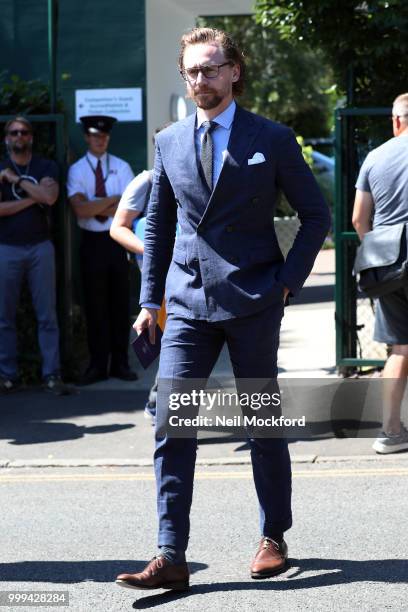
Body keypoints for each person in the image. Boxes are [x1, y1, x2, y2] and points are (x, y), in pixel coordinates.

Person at [115, 27, 330, 591]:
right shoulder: (169, 141)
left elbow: (316, 217)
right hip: (187, 303)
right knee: (172, 424)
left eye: (211, 69)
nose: (200, 81)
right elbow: (158, 226)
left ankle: (272, 536)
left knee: (260, 423)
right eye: (192, 72)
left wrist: (286, 283)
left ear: (234, 71)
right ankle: (170, 554)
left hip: (254, 299)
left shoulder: (273, 137)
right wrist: (148, 301)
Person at [352, 93, 408, 454]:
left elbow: (359, 219)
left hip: (389, 264)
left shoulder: (375, 157)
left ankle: (389, 432)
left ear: (397, 120)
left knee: (400, 348)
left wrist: (377, 248)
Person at [0, 116, 69, 395]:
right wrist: (35, 197)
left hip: (41, 247)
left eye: (24, 132)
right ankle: (8, 375)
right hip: (6, 248)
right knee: (4, 316)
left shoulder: (44, 165)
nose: (19, 136)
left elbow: (50, 198)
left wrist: (15, 181)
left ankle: (51, 374)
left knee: (47, 315)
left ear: (31, 137)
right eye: (14, 132)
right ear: (6, 138)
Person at [67, 115, 137, 385]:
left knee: (120, 305)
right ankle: (97, 365)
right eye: (96, 136)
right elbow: (80, 209)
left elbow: (132, 208)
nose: (100, 140)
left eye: (104, 136)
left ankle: (120, 363)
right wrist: (114, 201)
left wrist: (96, 203)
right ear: (87, 137)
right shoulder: (77, 171)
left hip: (118, 241)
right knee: (95, 306)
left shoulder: (122, 167)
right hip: (92, 242)